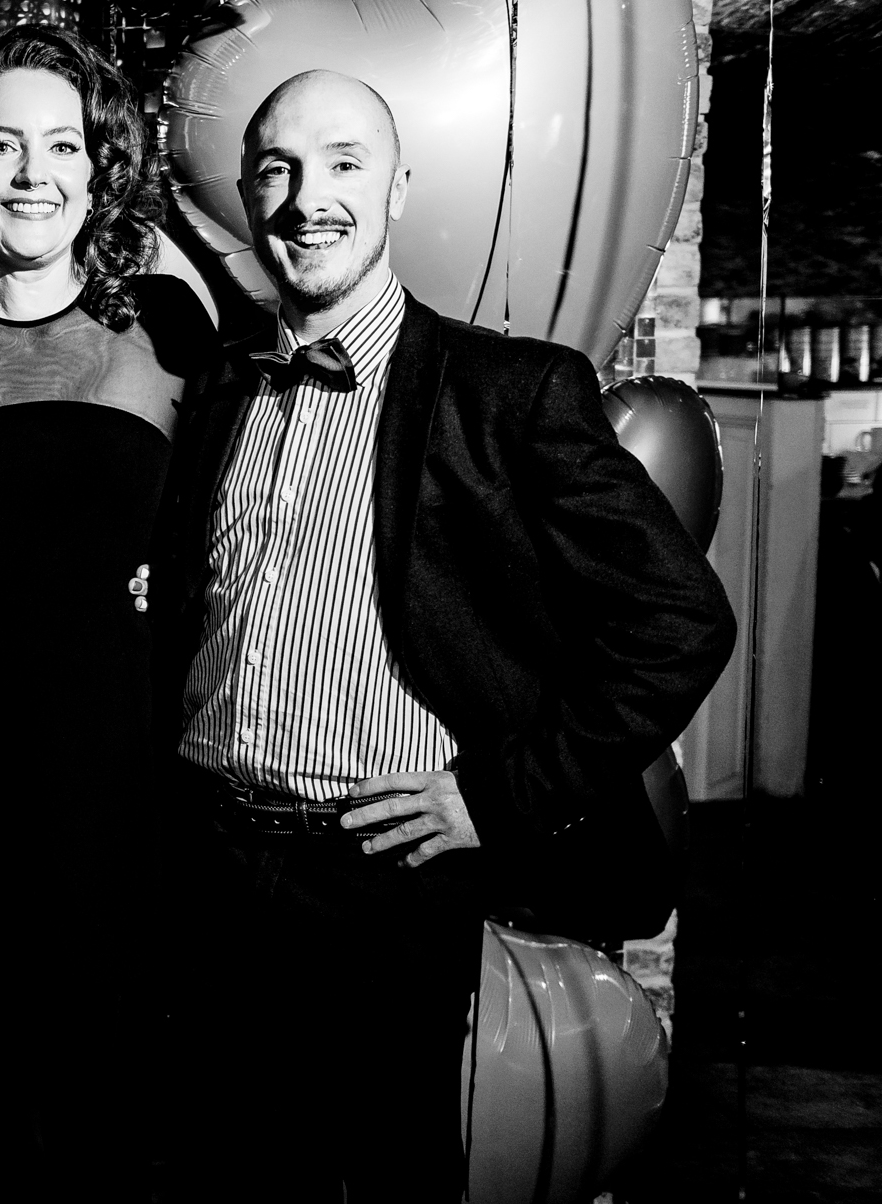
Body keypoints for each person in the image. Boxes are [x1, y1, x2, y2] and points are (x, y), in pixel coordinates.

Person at [150, 69, 737, 1201]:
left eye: (342, 163)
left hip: (377, 880)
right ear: (244, 190)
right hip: (209, 870)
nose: (303, 196)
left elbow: (678, 620)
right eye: (274, 167)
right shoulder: (224, 387)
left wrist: (496, 797)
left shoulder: (505, 392)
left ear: (398, 187)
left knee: (381, 1179)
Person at [0, 25, 213, 1201]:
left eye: (60, 145)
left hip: (119, 797)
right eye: (0, 144)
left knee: (105, 1132)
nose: (31, 173)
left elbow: (228, 532)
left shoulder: (167, 333)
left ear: (97, 166)